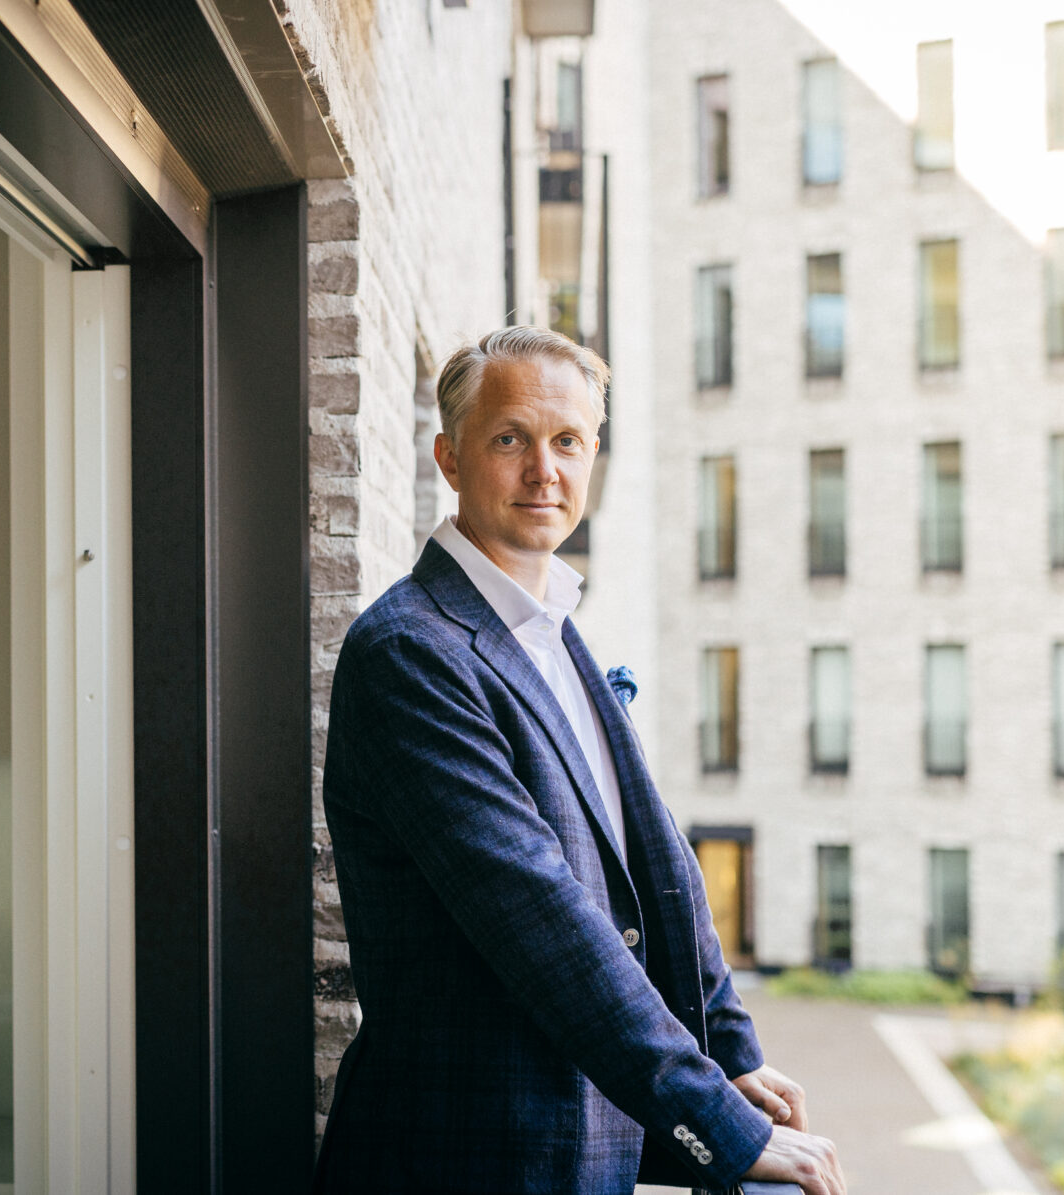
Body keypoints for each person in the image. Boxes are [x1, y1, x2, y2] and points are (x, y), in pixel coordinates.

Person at [313, 328, 847, 1195]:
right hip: (463, 1161)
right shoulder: (410, 651)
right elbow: (541, 915)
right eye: (510, 438)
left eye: (568, 441)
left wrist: (731, 1057)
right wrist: (716, 1123)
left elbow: (656, 867)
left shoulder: (556, 635)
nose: (544, 470)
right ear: (450, 459)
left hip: (575, 1153)